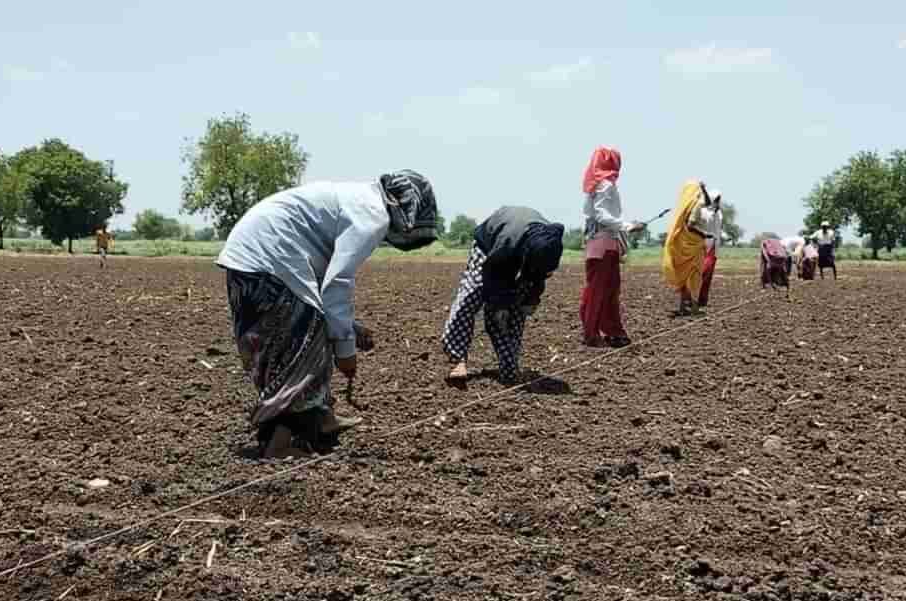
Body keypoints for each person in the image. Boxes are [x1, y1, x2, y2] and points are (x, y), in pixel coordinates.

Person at [217, 170, 439, 459]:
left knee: (301, 338)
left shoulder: (360, 200)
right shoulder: (372, 215)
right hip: (270, 261)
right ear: (407, 208)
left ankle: (320, 419)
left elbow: (324, 289)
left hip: (249, 259)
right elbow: (337, 285)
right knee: (300, 353)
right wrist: (345, 351)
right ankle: (282, 444)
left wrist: (350, 327)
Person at [443, 206, 564, 384]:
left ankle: (509, 366)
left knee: (516, 311)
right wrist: (499, 306)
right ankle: (457, 359)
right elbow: (492, 275)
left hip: (521, 254)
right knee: (470, 297)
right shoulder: (507, 243)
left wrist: (531, 299)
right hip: (489, 249)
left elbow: (538, 276)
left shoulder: (549, 246)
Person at [578, 146, 645, 348]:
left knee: (603, 289)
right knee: (603, 290)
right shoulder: (606, 185)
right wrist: (628, 226)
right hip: (605, 243)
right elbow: (602, 215)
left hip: (596, 243)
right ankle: (593, 334)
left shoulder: (594, 186)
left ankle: (613, 332)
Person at [661, 180, 718, 317]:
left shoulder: (684, 206)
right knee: (694, 275)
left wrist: (703, 189)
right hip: (694, 246)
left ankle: (682, 307)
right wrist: (704, 234)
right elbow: (692, 224)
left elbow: (708, 204)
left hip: (683, 245)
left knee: (684, 275)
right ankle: (693, 307)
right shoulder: (697, 205)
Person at [696, 189, 724, 308]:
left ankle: (702, 300)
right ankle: (693, 297)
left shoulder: (719, 213)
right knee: (702, 272)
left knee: (708, 275)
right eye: (716, 199)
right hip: (703, 245)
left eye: (719, 200)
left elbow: (718, 229)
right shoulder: (703, 212)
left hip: (714, 246)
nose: (718, 202)